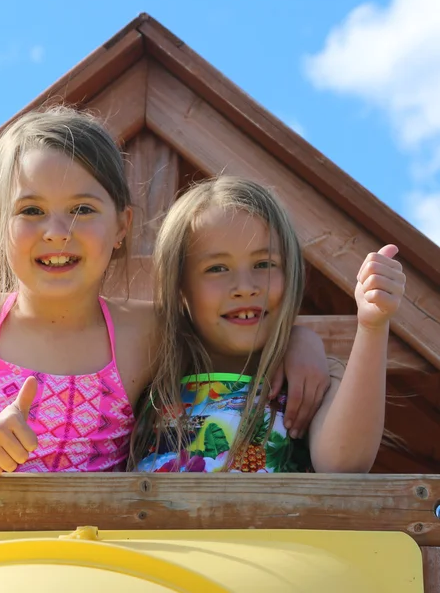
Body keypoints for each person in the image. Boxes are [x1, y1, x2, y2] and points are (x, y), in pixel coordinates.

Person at [0, 109, 332, 476]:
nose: (58, 231)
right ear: (0, 224)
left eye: (83, 209)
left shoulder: (146, 331)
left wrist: (296, 340)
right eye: (31, 211)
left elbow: (236, 324)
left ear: (122, 225)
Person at [131, 177, 405, 474]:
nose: (245, 287)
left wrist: (372, 326)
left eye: (264, 264)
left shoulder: (312, 382)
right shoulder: (147, 373)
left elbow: (344, 464)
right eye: (217, 268)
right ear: (179, 285)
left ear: (291, 274)